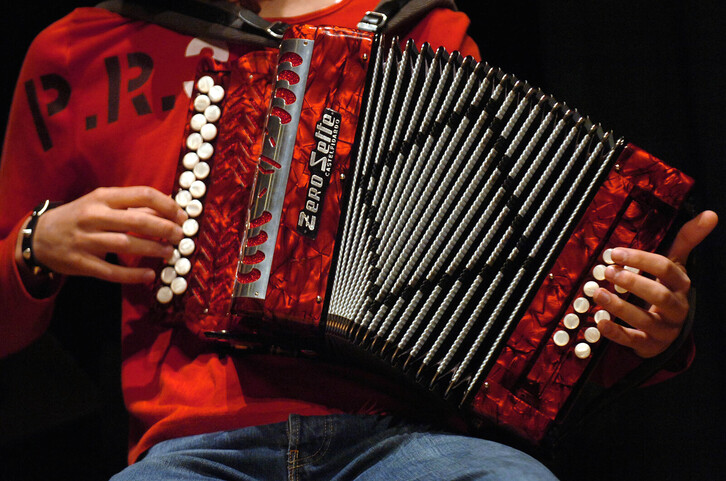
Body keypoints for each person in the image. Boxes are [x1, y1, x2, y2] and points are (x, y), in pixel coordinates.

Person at [0, 0, 717, 479]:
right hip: (193, 448)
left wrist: (648, 323)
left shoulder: (421, 25)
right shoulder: (78, 53)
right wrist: (34, 245)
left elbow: (507, 276)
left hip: (406, 440)